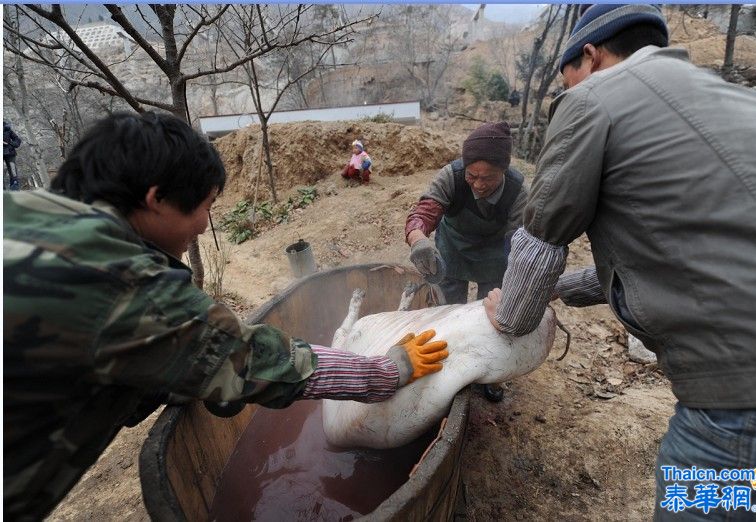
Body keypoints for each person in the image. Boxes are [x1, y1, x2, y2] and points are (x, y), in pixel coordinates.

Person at [3, 112, 449, 520]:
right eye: (206, 206)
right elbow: (257, 361)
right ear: (156, 199)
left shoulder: (19, 214)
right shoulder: (120, 283)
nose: (204, 224)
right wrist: (386, 372)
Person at [482, 5, 756, 520]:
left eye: (567, 74)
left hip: (749, 391)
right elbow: (682, 251)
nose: (568, 87)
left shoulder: (592, 99)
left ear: (592, 57)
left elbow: (542, 234)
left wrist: (510, 311)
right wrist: (560, 289)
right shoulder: (737, 100)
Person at [405, 121, 528, 403]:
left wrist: (517, 278)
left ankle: (491, 372)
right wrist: (418, 240)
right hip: (453, 246)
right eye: (472, 176)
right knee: (449, 307)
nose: (479, 184)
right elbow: (423, 212)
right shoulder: (452, 175)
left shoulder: (518, 191)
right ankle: (451, 364)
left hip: (495, 251)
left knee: (492, 314)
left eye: (489, 178)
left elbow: (518, 243)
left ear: (504, 171)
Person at [4, 119, 22, 191]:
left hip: (10, 153)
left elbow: (17, 140)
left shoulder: (7, 128)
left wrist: (10, 145)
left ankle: (15, 189)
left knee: (13, 171)